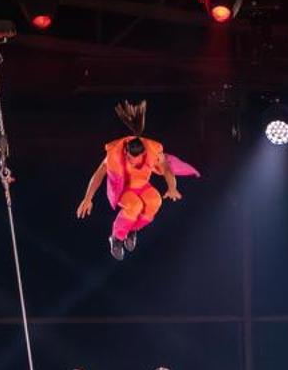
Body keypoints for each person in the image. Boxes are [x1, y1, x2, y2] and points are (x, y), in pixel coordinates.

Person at [74, 100, 197, 260]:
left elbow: (166, 168)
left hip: (142, 186)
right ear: (126, 152)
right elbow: (99, 173)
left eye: (138, 160)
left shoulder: (152, 151)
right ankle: (116, 238)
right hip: (123, 189)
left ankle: (131, 229)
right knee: (135, 205)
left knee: (155, 201)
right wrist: (88, 198)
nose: (135, 163)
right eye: (132, 160)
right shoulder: (115, 154)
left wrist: (172, 187)